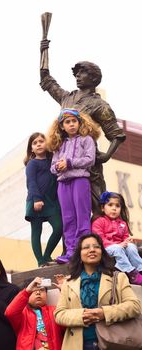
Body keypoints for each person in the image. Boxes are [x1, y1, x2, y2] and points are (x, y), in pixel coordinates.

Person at [40, 39, 126, 214]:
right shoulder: (67, 98)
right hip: (63, 161)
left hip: (87, 163)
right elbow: (46, 80)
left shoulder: (100, 105)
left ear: (93, 78)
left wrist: (106, 155)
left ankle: (98, 239)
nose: (77, 76)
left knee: (97, 206)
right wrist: (44, 51)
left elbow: (116, 135)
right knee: (67, 209)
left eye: (82, 73)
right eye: (76, 73)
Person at [54, 233, 141, 350]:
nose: (92, 250)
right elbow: (59, 314)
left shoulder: (118, 277)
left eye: (96, 246)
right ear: (79, 254)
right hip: (78, 345)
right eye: (86, 247)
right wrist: (81, 316)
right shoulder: (69, 283)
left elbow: (134, 306)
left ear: (102, 252)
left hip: (112, 342)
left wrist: (104, 313)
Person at [47, 108, 100, 263]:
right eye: (67, 122)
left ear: (79, 122)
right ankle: (71, 252)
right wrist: (58, 167)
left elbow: (90, 159)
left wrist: (69, 163)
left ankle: (84, 250)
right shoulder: (59, 144)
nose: (71, 124)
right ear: (62, 126)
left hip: (80, 181)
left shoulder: (86, 139)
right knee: (68, 218)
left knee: (82, 216)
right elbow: (52, 167)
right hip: (63, 184)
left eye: (73, 121)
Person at [24, 132, 63, 267]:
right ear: (31, 149)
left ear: (47, 144)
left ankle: (47, 256)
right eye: (35, 143)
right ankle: (40, 261)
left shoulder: (53, 162)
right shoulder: (32, 164)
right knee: (36, 231)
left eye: (41, 141)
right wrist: (36, 199)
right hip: (36, 200)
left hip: (51, 202)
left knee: (59, 227)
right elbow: (31, 182)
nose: (39, 144)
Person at [91, 191, 142, 285]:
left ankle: (140, 269)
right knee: (117, 248)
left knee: (131, 247)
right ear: (102, 208)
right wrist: (117, 244)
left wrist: (127, 241)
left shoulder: (122, 223)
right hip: (105, 248)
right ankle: (131, 273)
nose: (114, 208)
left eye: (117, 206)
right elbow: (99, 239)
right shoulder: (99, 221)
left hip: (120, 247)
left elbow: (125, 237)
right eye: (110, 205)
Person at [5, 276, 64, 350]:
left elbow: (67, 323)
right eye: (34, 290)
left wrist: (64, 293)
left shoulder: (55, 310)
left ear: (46, 294)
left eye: (42, 290)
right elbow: (10, 313)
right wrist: (26, 292)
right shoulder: (22, 314)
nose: (38, 293)